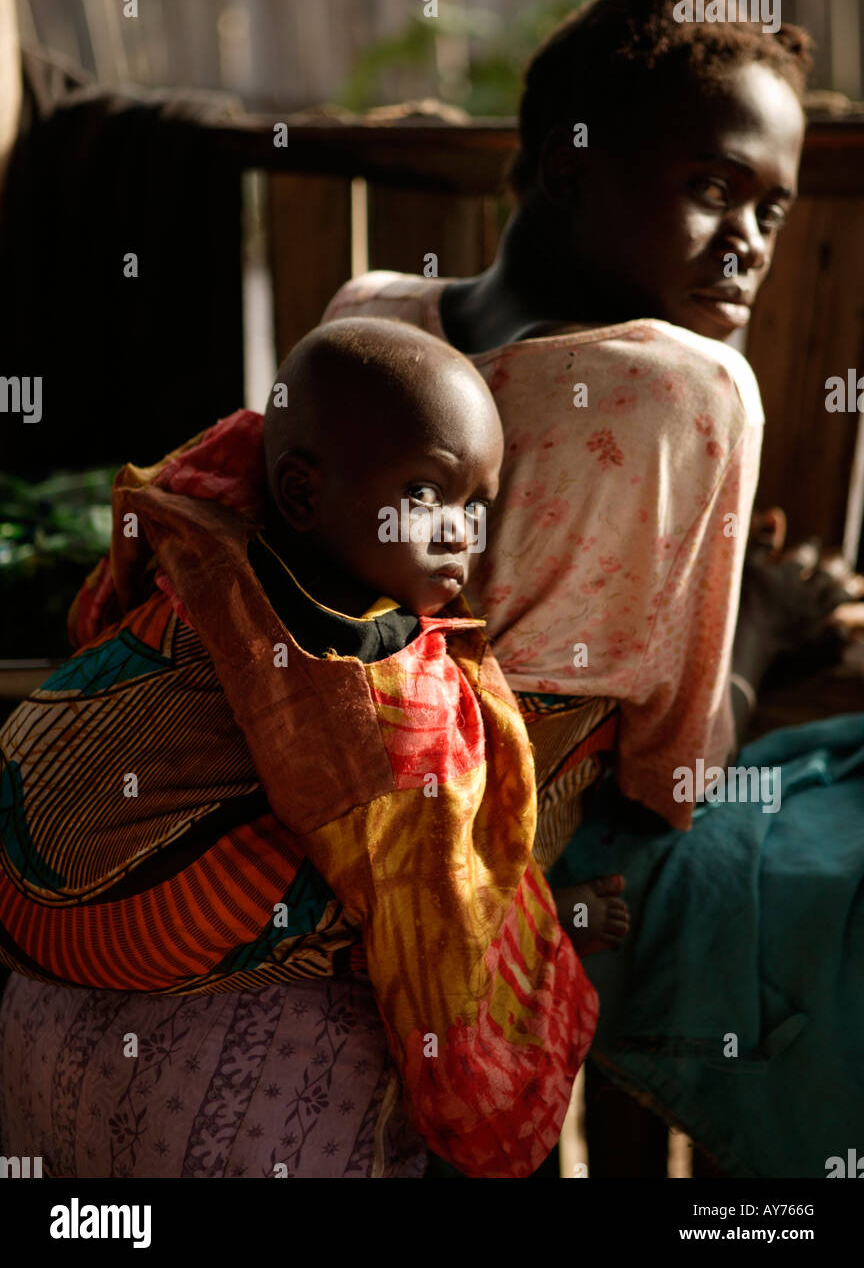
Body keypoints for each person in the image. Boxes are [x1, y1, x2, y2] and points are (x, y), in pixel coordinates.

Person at [319, 0, 864, 1175]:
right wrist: (769, 617)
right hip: (498, 868)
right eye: (713, 189)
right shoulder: (687, 386)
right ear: (570, 165)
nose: (751, 244)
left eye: (772, 211)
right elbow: (675, 775)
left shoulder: (371, 317)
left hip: (317, 821)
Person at [0, 317, 616, 1179]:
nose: (462, 533)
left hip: (33, 957)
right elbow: (435, 901)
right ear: (299, 494)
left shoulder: (208, 552)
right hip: (142, 938)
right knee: (451, 857)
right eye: (428, 494)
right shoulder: (373, 671)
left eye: (479, 503)